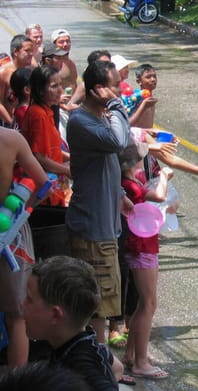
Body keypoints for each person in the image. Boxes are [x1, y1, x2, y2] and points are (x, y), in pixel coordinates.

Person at [65, 60, 132, 345]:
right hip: (93, 228)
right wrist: (117, 106)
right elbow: (118, 142)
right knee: (97, 307)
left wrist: (119, 195)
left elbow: (107, 161)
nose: (120, 90)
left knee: (101, 304)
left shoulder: (100, 117)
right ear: (97, 90)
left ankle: (97, 364)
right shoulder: (81, 121)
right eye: (115, 85)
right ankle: (98, 367)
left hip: (105, 225)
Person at [22, 256, 120, 390]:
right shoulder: (83, 343)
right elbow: (117, 367)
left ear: (55, 315)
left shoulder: (81, 367)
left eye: (29, 299)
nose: (22, 304)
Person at [118, 143, 171, 380]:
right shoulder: (131, 186)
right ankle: (140, 362)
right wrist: (165, 177)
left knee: (142, 303)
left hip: (141, 245)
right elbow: (159, 195)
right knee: (149, 304)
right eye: (141, 159)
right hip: (142, 248)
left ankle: (131, 354)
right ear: (132, 165)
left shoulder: (130, 183)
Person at [0, 128, 52, 369]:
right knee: (17, 317)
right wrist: (22, 211)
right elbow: (43, 184)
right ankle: (17, 383)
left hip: (9, 231)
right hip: (8, 231)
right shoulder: (10, 139)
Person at [19, 65, 71, 207]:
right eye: (54, 86)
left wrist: (71, 157)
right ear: (40, 90)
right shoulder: (38, 115)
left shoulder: (46, 111)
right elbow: (40, 158)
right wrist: (68, 171)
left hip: (53, 183)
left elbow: (50, 150)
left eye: (60, 84)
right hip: (43, 190)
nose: (60, 90)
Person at [0, 35, 35, 127]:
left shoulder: (31, 71)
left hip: (28, 121)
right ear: (15, 52)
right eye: (27, 51)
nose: (31, 54)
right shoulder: (4, 73)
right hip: (9, 123)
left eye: (32, 51)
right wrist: (11, 122)